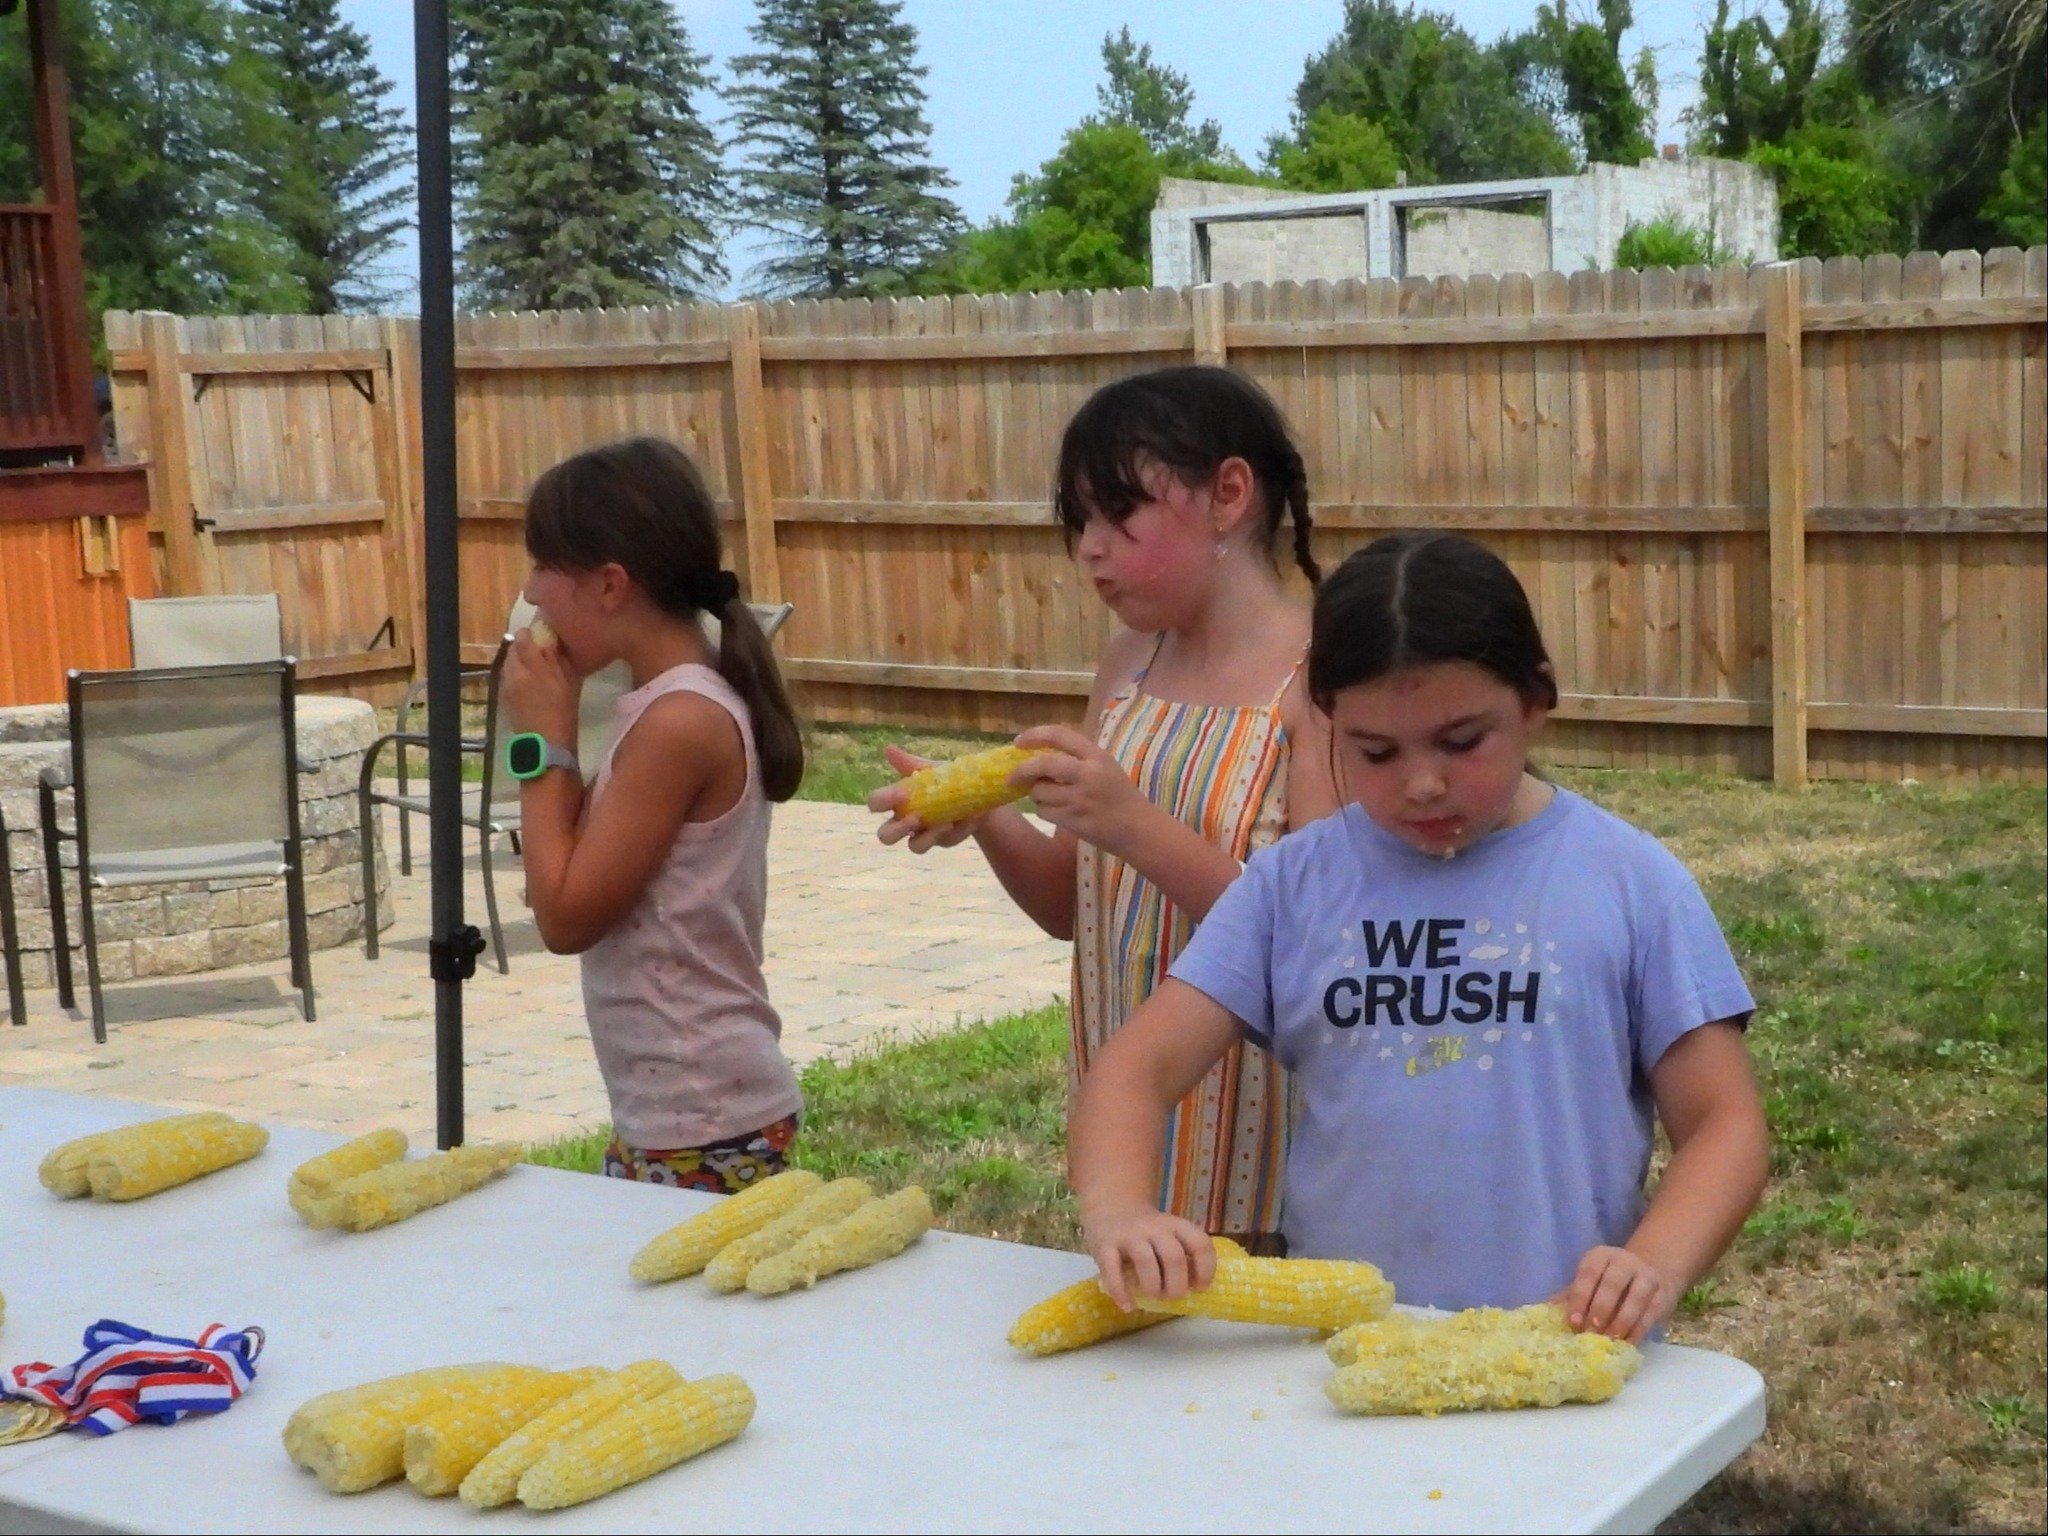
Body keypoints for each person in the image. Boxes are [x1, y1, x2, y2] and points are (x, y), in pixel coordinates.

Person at [1069, 531, 1770, 1342]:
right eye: (1376, 751)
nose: (1422, 782)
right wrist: (1119, 1209)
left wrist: (1653, 1262)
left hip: (1564, 1342)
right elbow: (1133, 1072)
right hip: (1344, 1352)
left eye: (1462, 741)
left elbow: (1725, 1124)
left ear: (1536, 701)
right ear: (1329, 723)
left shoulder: (1631, 880)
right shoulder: (1291, 887)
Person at [870, 366, 1339, 1248]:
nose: (1090, 547)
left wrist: (1133, 822)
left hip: (1257, 1159)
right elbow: (1075, 910)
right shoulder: (1130, 663)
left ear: (1227, 495)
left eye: (1118, 515)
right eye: (1078, 520)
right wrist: (994, 817)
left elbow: (1311, 942)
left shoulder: (1318, 681)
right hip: (1135, 1147)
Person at [502, 437, 806, 1193]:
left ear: (610, 584)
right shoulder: (666, 704)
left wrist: (540, 740)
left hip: (700, 1114)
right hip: (678, 1109)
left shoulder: (680, 722)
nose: (532, 593)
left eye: (544, 566)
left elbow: (565, 916)